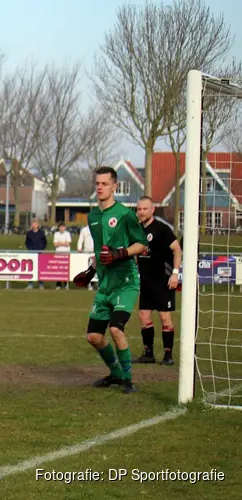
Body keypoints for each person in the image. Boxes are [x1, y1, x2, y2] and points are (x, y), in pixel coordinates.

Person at [72, 166, 147, 394]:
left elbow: (142, 244)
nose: (100, 187)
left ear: (115, 186)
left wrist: (119, 253)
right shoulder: (93, 216)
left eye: (105, 183)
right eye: (98, 184)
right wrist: (90, 272)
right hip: (105, 285)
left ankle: (128, 380)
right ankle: (115, 373)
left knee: (116, 330)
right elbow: (99, 251)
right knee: (94, 337)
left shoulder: (125, 214)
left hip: (126, 283)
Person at [134, 196, 182, 366]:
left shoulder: (162, 229)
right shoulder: (137, 230)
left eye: (145, 209)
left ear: (152, 210)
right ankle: (149, 354)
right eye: (139, 209)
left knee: (164, 317)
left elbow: (177, 250)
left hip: (163, 279)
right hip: (146, 281)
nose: (141, 212)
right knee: (143, 315)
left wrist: (175, 273)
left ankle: (168, 355)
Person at [25, 221, 46, 289]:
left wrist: (42, 248)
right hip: (31, 253)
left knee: (39, 268)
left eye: (35, 224)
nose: (33, 225)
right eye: (32, 224)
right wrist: (29, 248)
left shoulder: (41, 233)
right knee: (31, 268)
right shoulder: (29, 233)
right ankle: (30, 284)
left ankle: (41, 284)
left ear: (37, 225)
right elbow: (27, 242)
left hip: (39, 252)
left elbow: (45, 242)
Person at [53, 223, 72, 289]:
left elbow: (68, 244)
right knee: (58, 269)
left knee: (65, 269)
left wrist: (59, 243)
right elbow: (55, 245)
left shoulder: (67, 234)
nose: (62, 228)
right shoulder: (56, 234)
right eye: (60, 227)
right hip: (58, 253)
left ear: (65, 227)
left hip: (66, 253)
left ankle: (66, 284)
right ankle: (58, 284)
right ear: (59, 228)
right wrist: (63, 243)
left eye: (63, 227)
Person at [77, 224, 95, 290]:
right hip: (86, 251)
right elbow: (80, 239)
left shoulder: (97, 227)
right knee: (88, 269)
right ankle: (88, 284)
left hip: (95, 251)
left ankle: (95, 284)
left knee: (96, 269)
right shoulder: (84, 230)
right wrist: (79, 248)